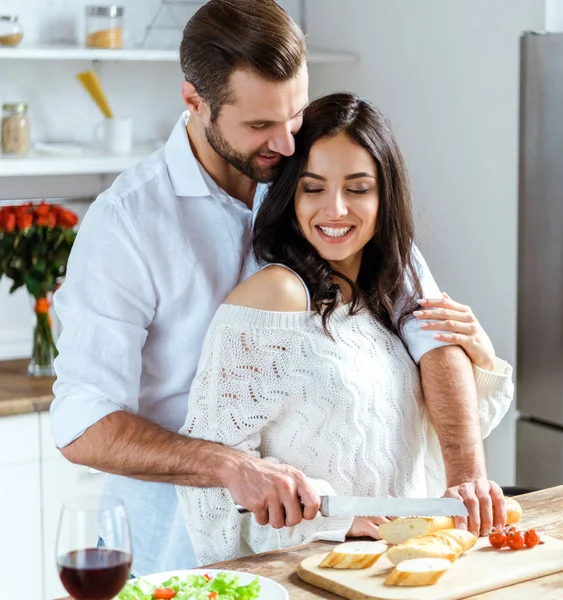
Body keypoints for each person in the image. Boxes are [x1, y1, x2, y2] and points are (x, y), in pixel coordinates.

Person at [50, 0, 506, 577]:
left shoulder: (314, 174)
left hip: (340, 544)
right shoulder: (129, 222)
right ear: (195, 101)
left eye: (293, 116)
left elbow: (427, 326)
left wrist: (465, 472)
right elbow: (81, 421)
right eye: (261, 125)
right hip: (184, 550)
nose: (287, 143)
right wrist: (228, 465)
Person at [175, 92, 514, 565]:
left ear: (385, 195)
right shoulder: (275, 297)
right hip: (319, 576)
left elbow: (420, 439)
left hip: (407, 568)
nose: (334, 210)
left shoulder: (390, 293)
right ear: (290, 194)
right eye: (313, 188)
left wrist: (481, 357)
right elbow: (213, 479)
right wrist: (333, 522)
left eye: (357, 189)